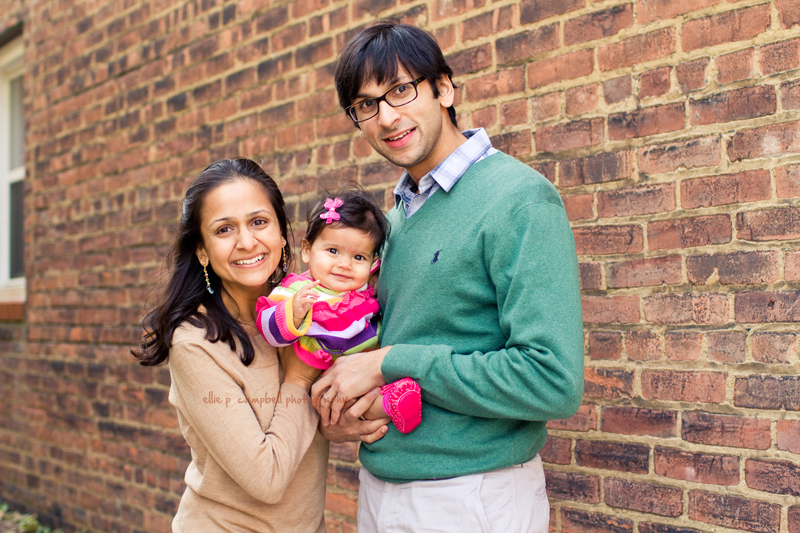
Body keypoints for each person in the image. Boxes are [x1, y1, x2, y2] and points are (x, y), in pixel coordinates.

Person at [311, 21, 585, 532]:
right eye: (366, 105)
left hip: (472, 496)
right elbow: (381, 356)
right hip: (381, 490)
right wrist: (345, 409)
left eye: (400, 89)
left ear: (444, 88)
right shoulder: (392, 222)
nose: (387, 117)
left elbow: (554, 380)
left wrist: (389, 363)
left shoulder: (519, 198)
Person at [131, 158, 381, 532]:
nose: (247, 241)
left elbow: (303, 424)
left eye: (259, 222)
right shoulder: (196, 342)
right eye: (224, 229)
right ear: (202, 251)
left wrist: (334, 421)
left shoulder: (308, 312)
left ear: (283, 234)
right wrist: (299, 377)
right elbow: (267, 477)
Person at [255, 188, 422, 433]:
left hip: (366, 364)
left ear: (373, 262)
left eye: (358, 257)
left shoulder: (364, 290)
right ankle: (389, 405)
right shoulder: (298, 289)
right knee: (346, 402)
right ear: (307, 250)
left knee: (372, 386)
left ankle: (396, 397)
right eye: (333, 251)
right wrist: (293, 311)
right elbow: (268, 327)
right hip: (323, 371)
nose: (344, 265)